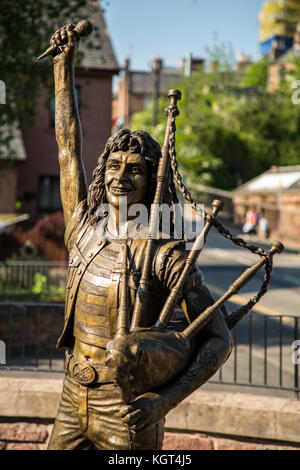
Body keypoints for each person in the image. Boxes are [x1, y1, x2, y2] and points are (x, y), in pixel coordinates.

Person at [47, 24, 232, 450]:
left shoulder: (164, 256)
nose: (121, 177)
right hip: (72, 396)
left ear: (151, 182)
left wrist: (163, 402)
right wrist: (63, 69)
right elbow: (66, 147)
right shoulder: (83, 227)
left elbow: (217, 338)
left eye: (136, 169)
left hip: (127, 410)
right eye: (114, 166)